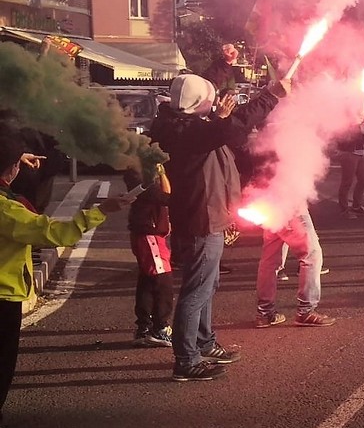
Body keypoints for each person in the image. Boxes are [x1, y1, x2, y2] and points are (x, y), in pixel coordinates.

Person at [0, 129, 131, 428]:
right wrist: (100, 211)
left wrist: (13, 163)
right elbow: (52, 232)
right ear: (10, 169)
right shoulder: (7, 212)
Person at [150, 73, 287, 382]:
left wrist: (266, 97)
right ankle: (186, 358)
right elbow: (231, 129)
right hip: (201, 218)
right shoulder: (189, 132)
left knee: (205, 286)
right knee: (197, 290)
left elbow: (230, 128)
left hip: (201, 215)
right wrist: (270, 96)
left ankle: (204, 342)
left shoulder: (177, 125)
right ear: (200, 103)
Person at [254, 206, 333, 328]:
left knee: (270, 259)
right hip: (290, 205)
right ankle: (305, 311)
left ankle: (265, 312)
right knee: (311, 256)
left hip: (269, 201)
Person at [124, 164, 174, 348]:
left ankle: (144, 327)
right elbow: (165, 196)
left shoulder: (142, 172)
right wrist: (160, 173)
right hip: (149, 233)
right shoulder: (138, 175)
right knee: (162, 281)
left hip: (149, 233)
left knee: (148, 280)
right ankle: (159, 328)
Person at [335, 119, 364, 218]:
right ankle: (344, 210)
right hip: (348, 151)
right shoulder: (344, 116)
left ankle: (356, 206)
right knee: (347, 182)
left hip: (359, 151)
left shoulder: (356, 112)